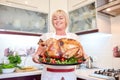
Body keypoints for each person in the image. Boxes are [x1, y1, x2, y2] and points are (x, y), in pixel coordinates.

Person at [33, 9, 87, 80]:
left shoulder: (74, 37)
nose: (58, 20)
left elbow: (83, 55)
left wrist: (85, 58)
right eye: (55, 19)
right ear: (53, 22)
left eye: (61, 18)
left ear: (66, 21)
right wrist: (35, 58)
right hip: (49, 76)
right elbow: (36, 55)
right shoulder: (45, 37)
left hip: (69, 75)